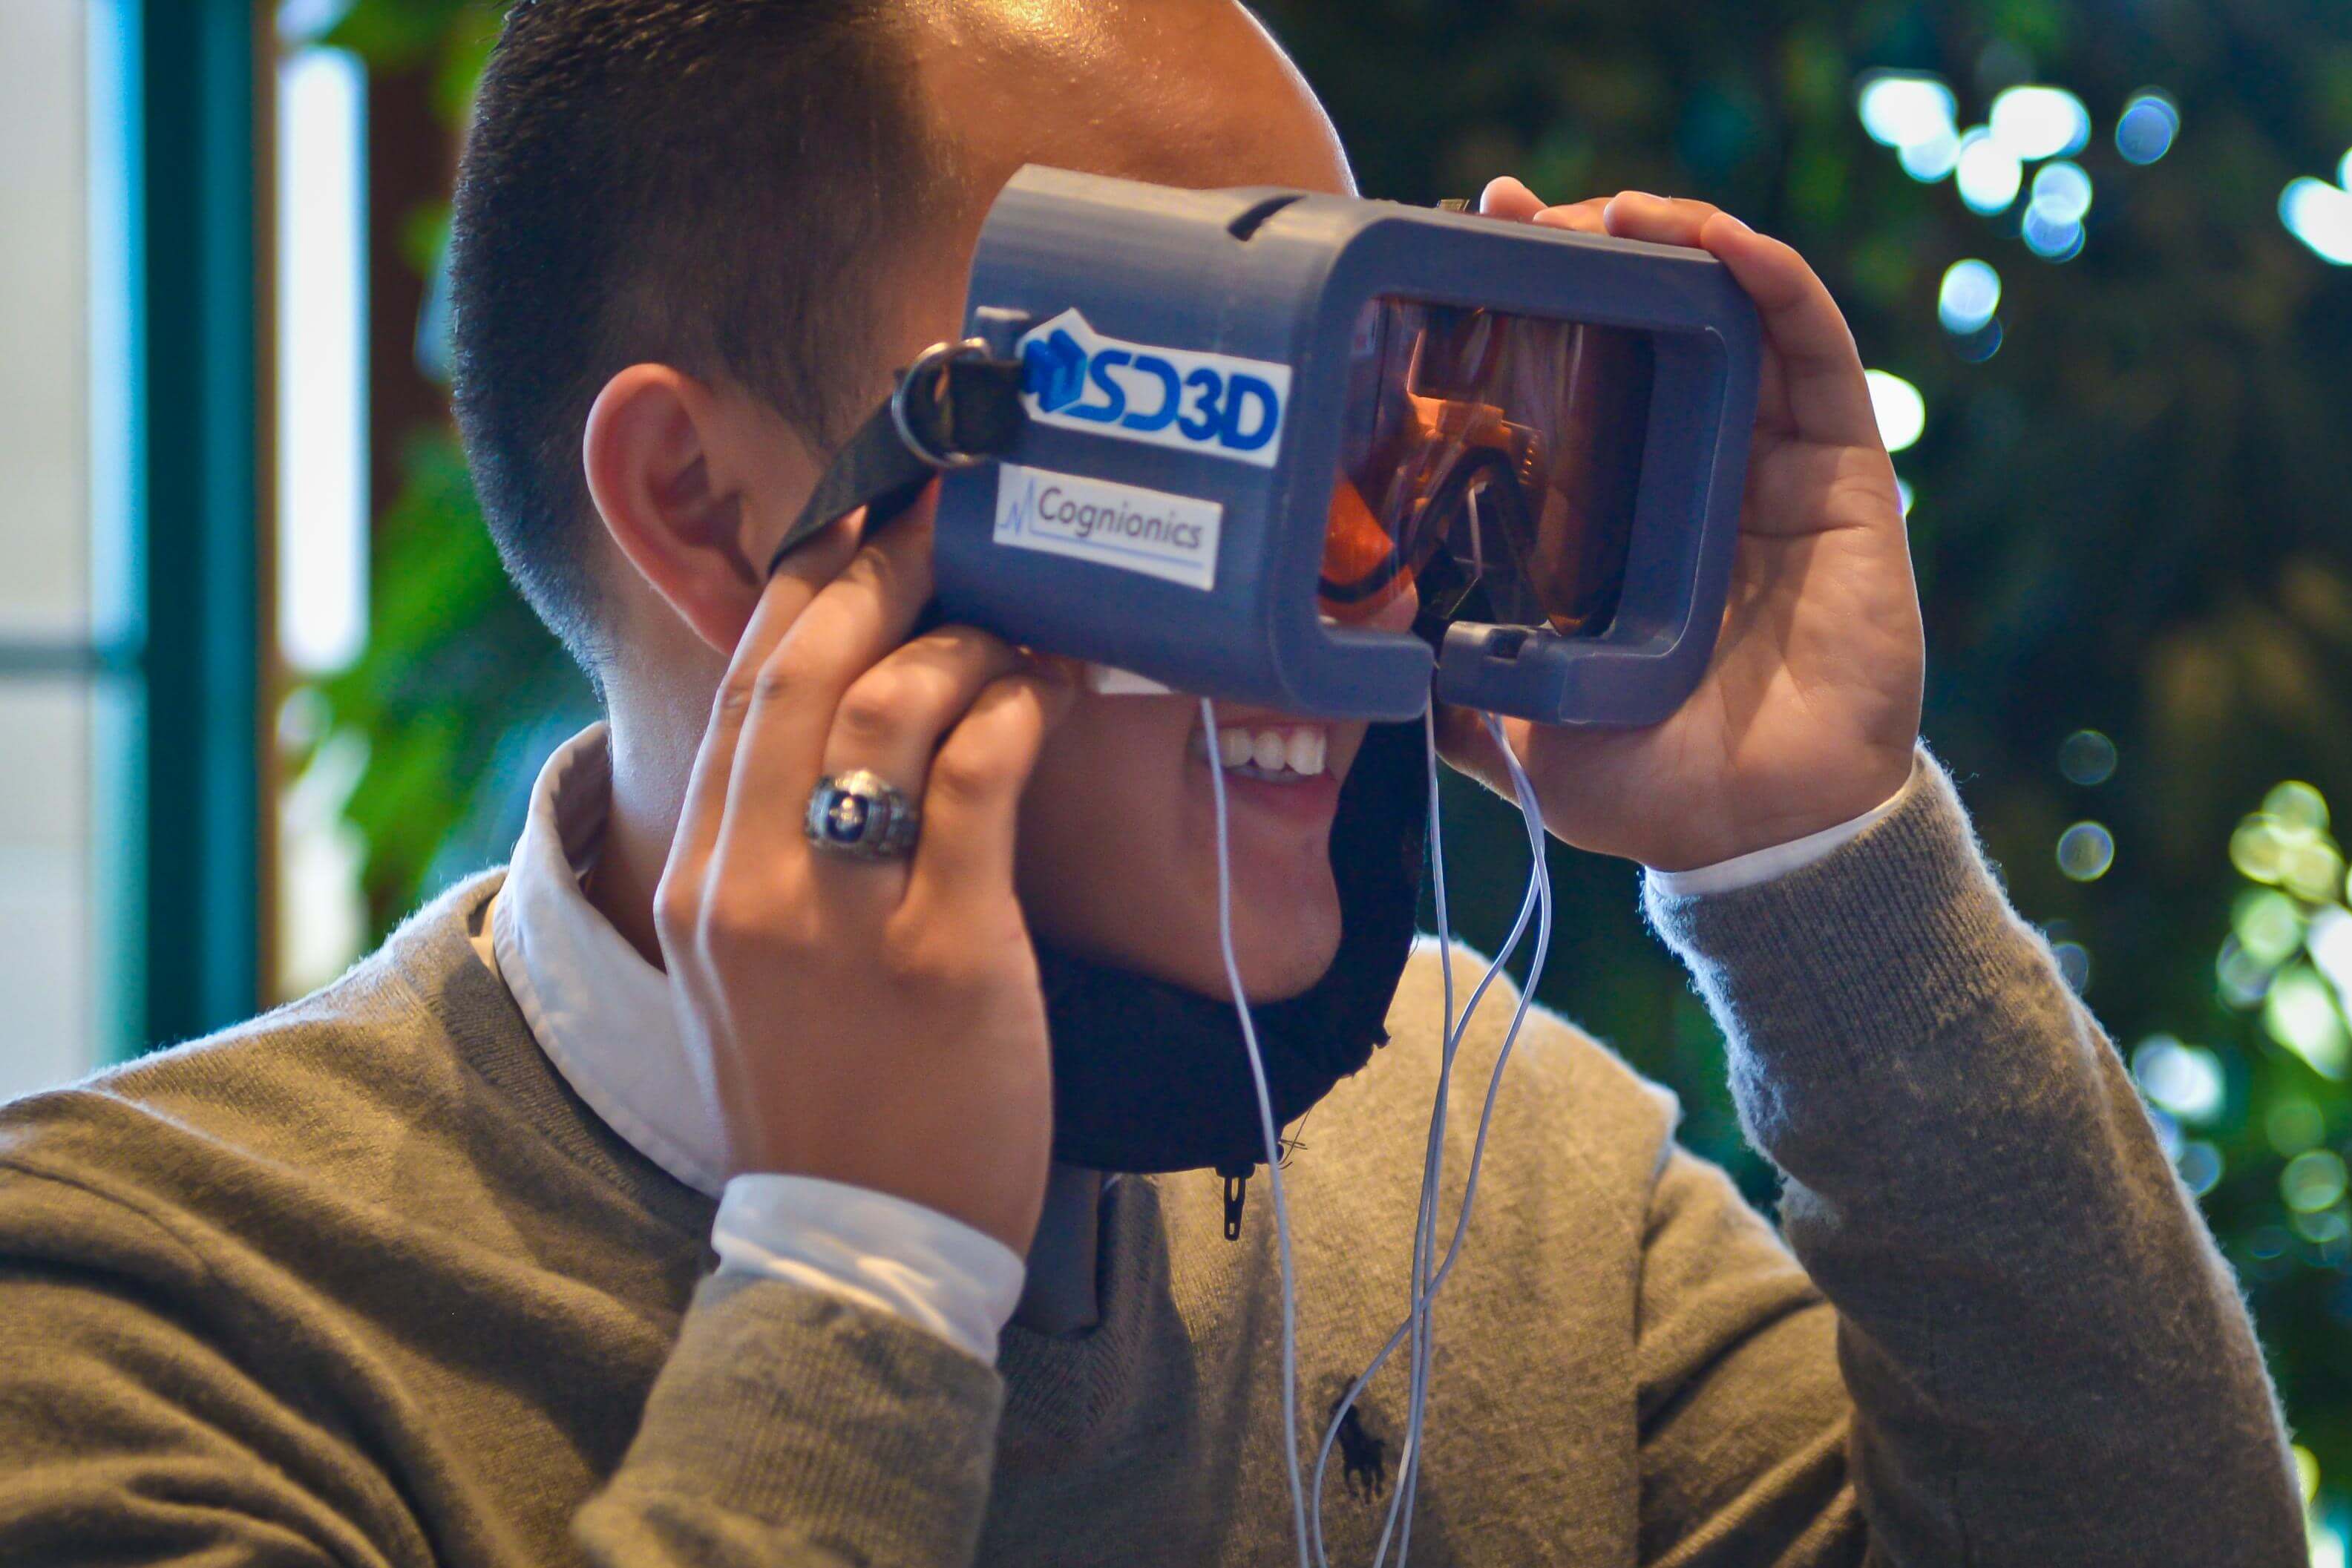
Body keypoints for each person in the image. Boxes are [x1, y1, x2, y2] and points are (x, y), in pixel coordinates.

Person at [0, 1, 2304, 1562]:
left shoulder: (1499, 1184)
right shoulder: (133, 1313)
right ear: (707, 514)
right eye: (1211, 375)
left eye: (1381, 366)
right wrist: (865, 1277)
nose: (1366, 537)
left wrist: (1821, 864)